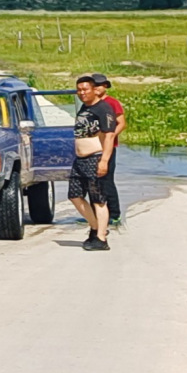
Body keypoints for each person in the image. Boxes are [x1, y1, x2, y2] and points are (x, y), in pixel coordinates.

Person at [67, 73, 119, 251]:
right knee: (74, 195)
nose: (81, 93)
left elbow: (110, 136)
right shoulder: (84, 107)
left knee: (98, 199)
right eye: (79, 90)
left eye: (85, 89)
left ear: (95, 90)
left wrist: (104, 161)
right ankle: (96, 227)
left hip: (95, 157)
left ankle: (101, 238)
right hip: (80, 159)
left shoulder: (103, 109)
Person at [93, 76, 125, 226]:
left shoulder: (112, 102)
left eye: (99, 85)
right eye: (94, 85)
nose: (96, 88)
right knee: (92, 181)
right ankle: (96, 214)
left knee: (106, 180)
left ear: (105, 86)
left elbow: (121, 123)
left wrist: (109, 137)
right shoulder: (90, 103)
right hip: (92, 148)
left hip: (108, 147)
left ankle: (114, 214)